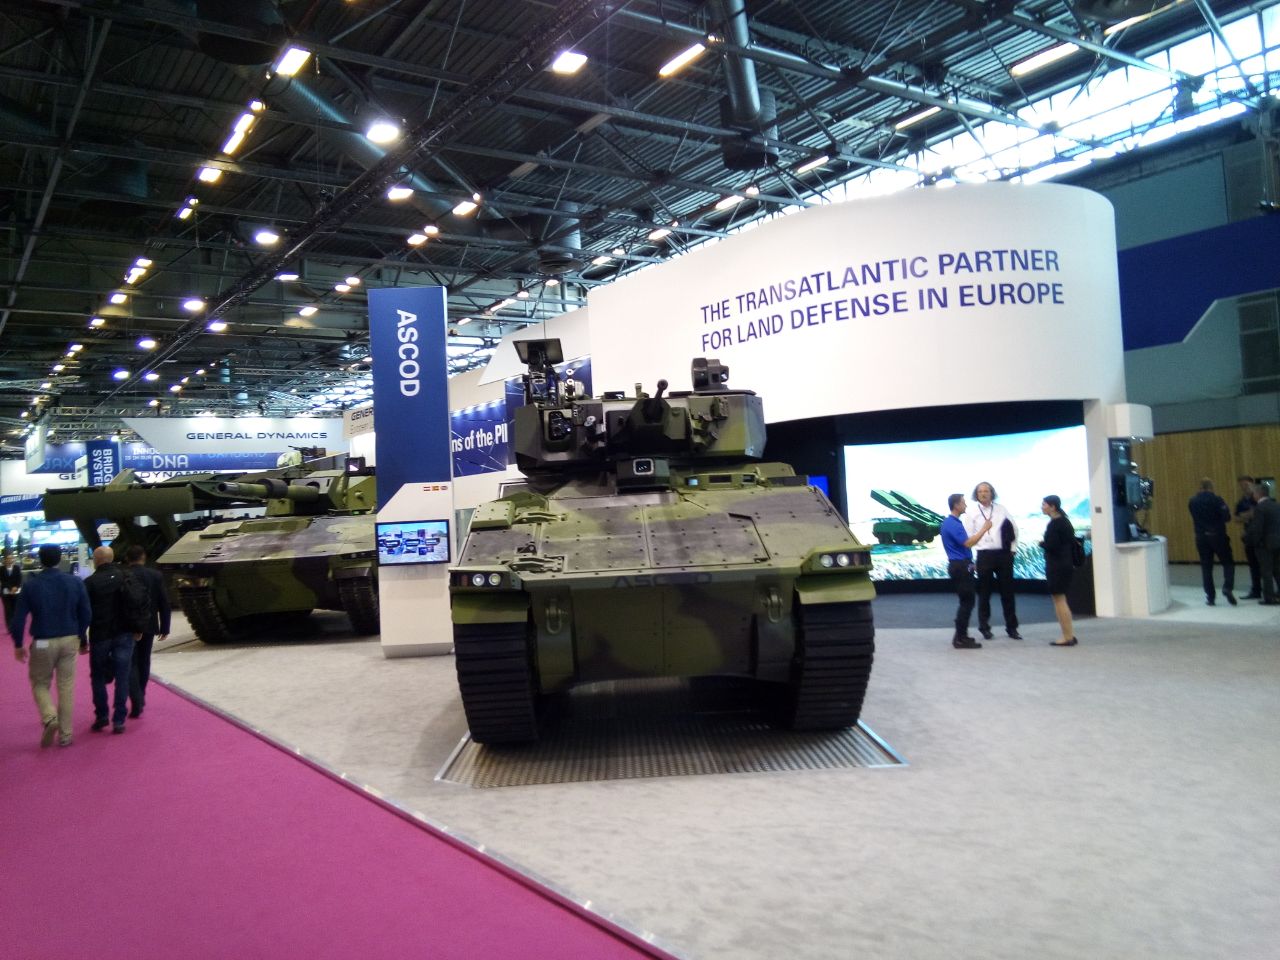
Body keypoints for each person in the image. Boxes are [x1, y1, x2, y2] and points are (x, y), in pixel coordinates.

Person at [8, 544, 91, 748]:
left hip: (43, 640)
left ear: (40, 559)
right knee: (66, 687)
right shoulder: (75, 582)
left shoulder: (31, 585)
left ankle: (49, 716)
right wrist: (81, 636)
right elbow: (86, 613)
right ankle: (66, 735)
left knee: (40, 682)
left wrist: (18, 644)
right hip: (70, 638)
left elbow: (18, 619)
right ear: (60, 558)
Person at [84, 546, 142, 734]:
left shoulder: (89, 583)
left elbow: (84, 613)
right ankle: (119, 719)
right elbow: (136, 603)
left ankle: (101, 715)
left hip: (100, 635)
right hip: (124, 633)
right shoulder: (125, 577)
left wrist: (81, 638)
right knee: (122, 675)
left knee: (98, 676)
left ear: (96, 560)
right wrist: (138, 628)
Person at [964, 481, 1021, 640]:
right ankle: (984, 628)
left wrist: (1013, 549)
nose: (983, 494)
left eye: (986, 491)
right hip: (984, 555)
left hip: (1004, 555)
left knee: (1007, 593)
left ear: (992, 493)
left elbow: (1014, 529)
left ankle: (1012, 628)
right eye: (980, 491)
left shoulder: (1001, 509)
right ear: (976, 494)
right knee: (984, 594)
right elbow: (968, 539)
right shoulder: (971, 513)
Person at [124, 544, 170, 719]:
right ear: (143, 557)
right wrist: (165, 626)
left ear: (127, 558)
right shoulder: (155, 575)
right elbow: (164, 602)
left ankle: (135, 697)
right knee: (144, 661)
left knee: (130, 662)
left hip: (127, 626)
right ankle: (141, 694)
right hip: (149, 625)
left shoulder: (123, 575)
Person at [942, 493, 991, 649]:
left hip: (961, 565)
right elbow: (968, 543)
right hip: (960, 567)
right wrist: (984, 529)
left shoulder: (950, 523)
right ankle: (960, 638)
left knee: (966, 602)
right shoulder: (953, 524)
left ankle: (960, 636)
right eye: (963, 502)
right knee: (967, 603)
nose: (966, 505)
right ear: (956, 505)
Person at [1187, 478, 1235, 606]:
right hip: (1218, 536)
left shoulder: (1192, 502)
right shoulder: (1217, 500)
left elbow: (1194, 516)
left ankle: (1210, 597)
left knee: (1206, 567)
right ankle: (1227, 587)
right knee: (1228, 562)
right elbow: (1227, 517)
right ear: (1211, 487)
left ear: (1200, 488)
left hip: (1201, 537)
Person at [1040, 496, 1078, 646]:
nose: (1042, 507)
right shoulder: (1065, 521)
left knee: (1059, 600)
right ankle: (1069, 634)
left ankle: (1067, 637)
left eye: (1044, 504)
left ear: (1053, 507)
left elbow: (1052, 545)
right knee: (1061, 599)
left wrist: (1042, 544)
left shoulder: (1056, 524)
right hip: (1065, 563)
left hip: (1057, 565)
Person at [1245, 483, 1280, 605]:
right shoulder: (1276, 505)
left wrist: (1253, 542)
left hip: (1264, 544)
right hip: (1277, 541)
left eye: (1254, 493)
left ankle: (1269, 598)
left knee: (1266, 571)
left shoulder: (1260, 508)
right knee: (1277, 570)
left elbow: (1258, 528)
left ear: (1258, 494)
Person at [1234, 475, 1262, 599]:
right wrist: (1246, 515)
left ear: (1252, 484)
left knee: (1268, 564)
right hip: (1249, 535)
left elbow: (1260, 513)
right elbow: (1236, 518)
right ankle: (1256, 590)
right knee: (1253, 565)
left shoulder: (1258, 498)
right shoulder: (1241, 501)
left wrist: (1247, 515)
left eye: (1246, 485)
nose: (1244, 487)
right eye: (1241, 485)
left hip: (1261, 536)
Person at [1, 549, 23, 629]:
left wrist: (16, 587)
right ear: (4, 559)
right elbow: (3, 581)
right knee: (7, 610)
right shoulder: (1, 569)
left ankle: (15, 625)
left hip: (16, 592)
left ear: (13, 559)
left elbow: (19, 579)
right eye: (8, 558)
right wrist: (10, 588)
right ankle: (9, 626)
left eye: (11, 558)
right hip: (6, 592)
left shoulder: (17, 568)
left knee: (15, 609)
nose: (9, 560)